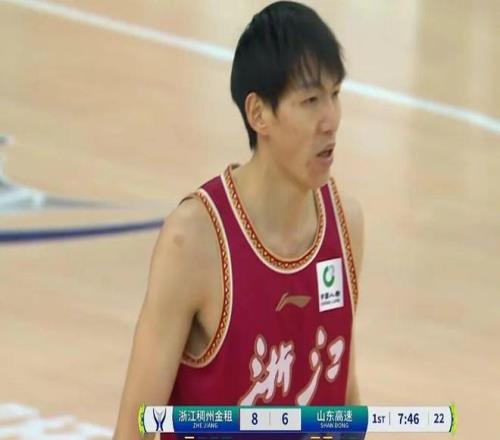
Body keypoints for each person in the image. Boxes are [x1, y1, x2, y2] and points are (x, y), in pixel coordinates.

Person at [114, 2, 364, 438]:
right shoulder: (194, 240)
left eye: (335, 94)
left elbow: (342, 395)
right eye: (310, 100)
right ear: (258, 114)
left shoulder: (346, 226)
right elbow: (135, 429)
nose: (330, 120)